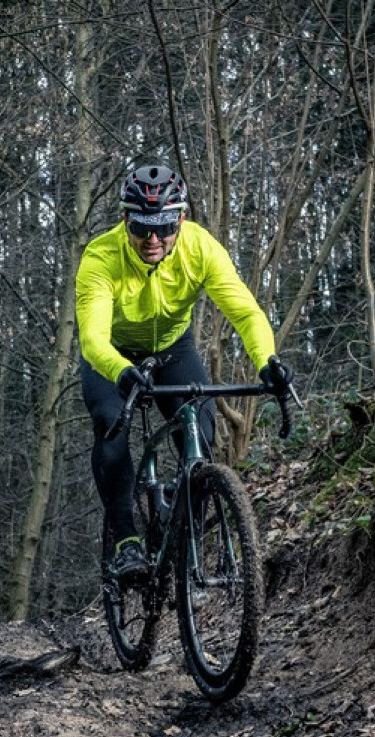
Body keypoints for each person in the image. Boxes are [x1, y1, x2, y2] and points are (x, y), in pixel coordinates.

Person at [75, 163, 293, 580]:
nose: (153, 239)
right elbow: (93, 341)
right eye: (142, 226)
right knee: (110, 425)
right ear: (125, 220)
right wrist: (120, 370)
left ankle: (183, 515)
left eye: (165, 226)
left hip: (173, 348)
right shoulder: (100, 258)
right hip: (112, 356)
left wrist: (267, 360)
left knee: (201, 430)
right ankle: (125, 540)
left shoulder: (201, 249)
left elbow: (245, 312)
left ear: (182, 219)